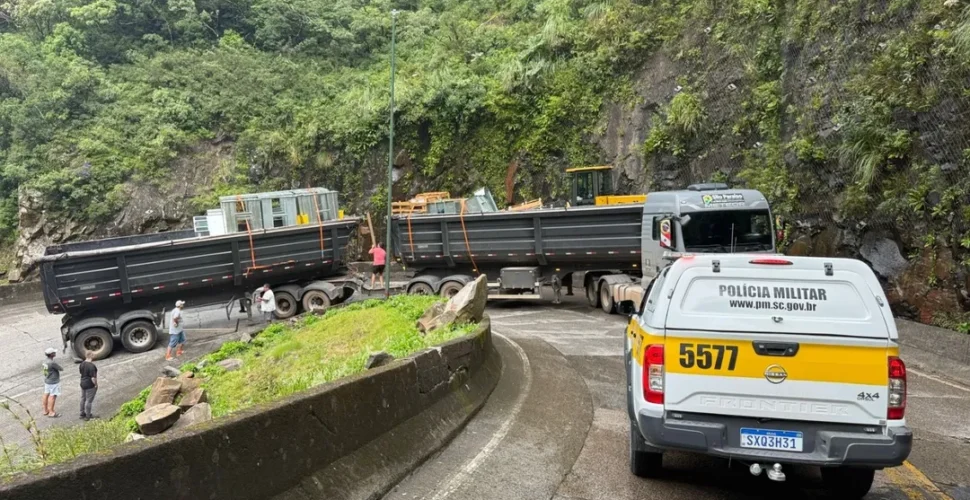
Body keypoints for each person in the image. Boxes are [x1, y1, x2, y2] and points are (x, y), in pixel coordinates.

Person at [41, 347, 62, 418]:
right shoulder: (52, 362)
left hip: (47, 380)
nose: (55, 353)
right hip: (53, 381)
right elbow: (60, 368)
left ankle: (45, 410)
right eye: (54, 352)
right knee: (52, 396)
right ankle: (51, 412)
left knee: (46, 393)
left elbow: (45, 372)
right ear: (52, 354)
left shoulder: (44, 361)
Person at [78, 351, 98, 420]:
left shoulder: (82, 364)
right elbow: (93, 378)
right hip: (89, 384)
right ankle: (88, 416)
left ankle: (82, 413)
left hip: (82, 383)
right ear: (91, 356)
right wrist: (95, 385)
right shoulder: (92, 366)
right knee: (89, 401)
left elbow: (81, 372)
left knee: (83, 398)